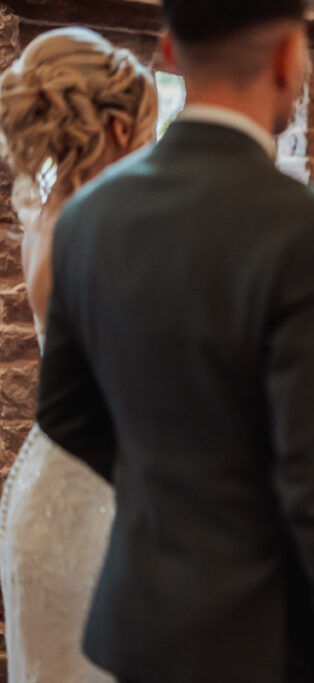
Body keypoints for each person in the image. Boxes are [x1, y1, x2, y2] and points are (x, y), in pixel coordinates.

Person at [34, 2, 314, 682]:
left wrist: (165, 483)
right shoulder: (308, 225)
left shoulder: (86, 216)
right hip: (260, 634)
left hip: (135, 620)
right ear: (290, 58)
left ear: (168, 52)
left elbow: (63, 412)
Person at [0, 27, 157, 683]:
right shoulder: (98, 224)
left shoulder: (48, 215)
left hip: (54, 481)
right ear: (118, 130)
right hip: (93, 499)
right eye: (149, 131)